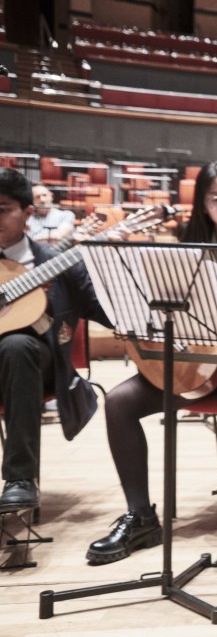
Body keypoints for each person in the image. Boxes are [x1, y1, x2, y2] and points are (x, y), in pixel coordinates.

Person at [86, 160, 217, 564]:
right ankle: (140, 516)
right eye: (215, 199)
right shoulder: (181, 253)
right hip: (197, 368)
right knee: (119, 402)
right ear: (203, 206)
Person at [0, 169, 111, 512]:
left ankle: (19, 477)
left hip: (36, 368)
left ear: (28, 214)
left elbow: (101, 308)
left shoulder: (56, 265)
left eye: (2, 209)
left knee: (16, 347)